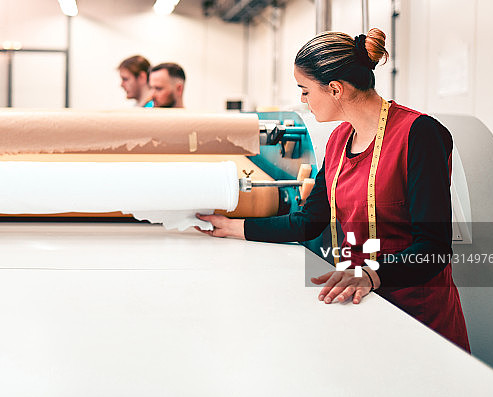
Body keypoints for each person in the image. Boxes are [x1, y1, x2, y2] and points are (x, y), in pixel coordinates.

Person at [196, 28, 470, 352]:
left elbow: (434, 249)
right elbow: (309, 221)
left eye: (305, 90)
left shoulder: (419, 135)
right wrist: (234, 227)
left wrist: (371, 275)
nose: (302, 99)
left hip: (419, 317)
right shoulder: (340, 139)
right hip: (361, 303)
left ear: (335, 89)